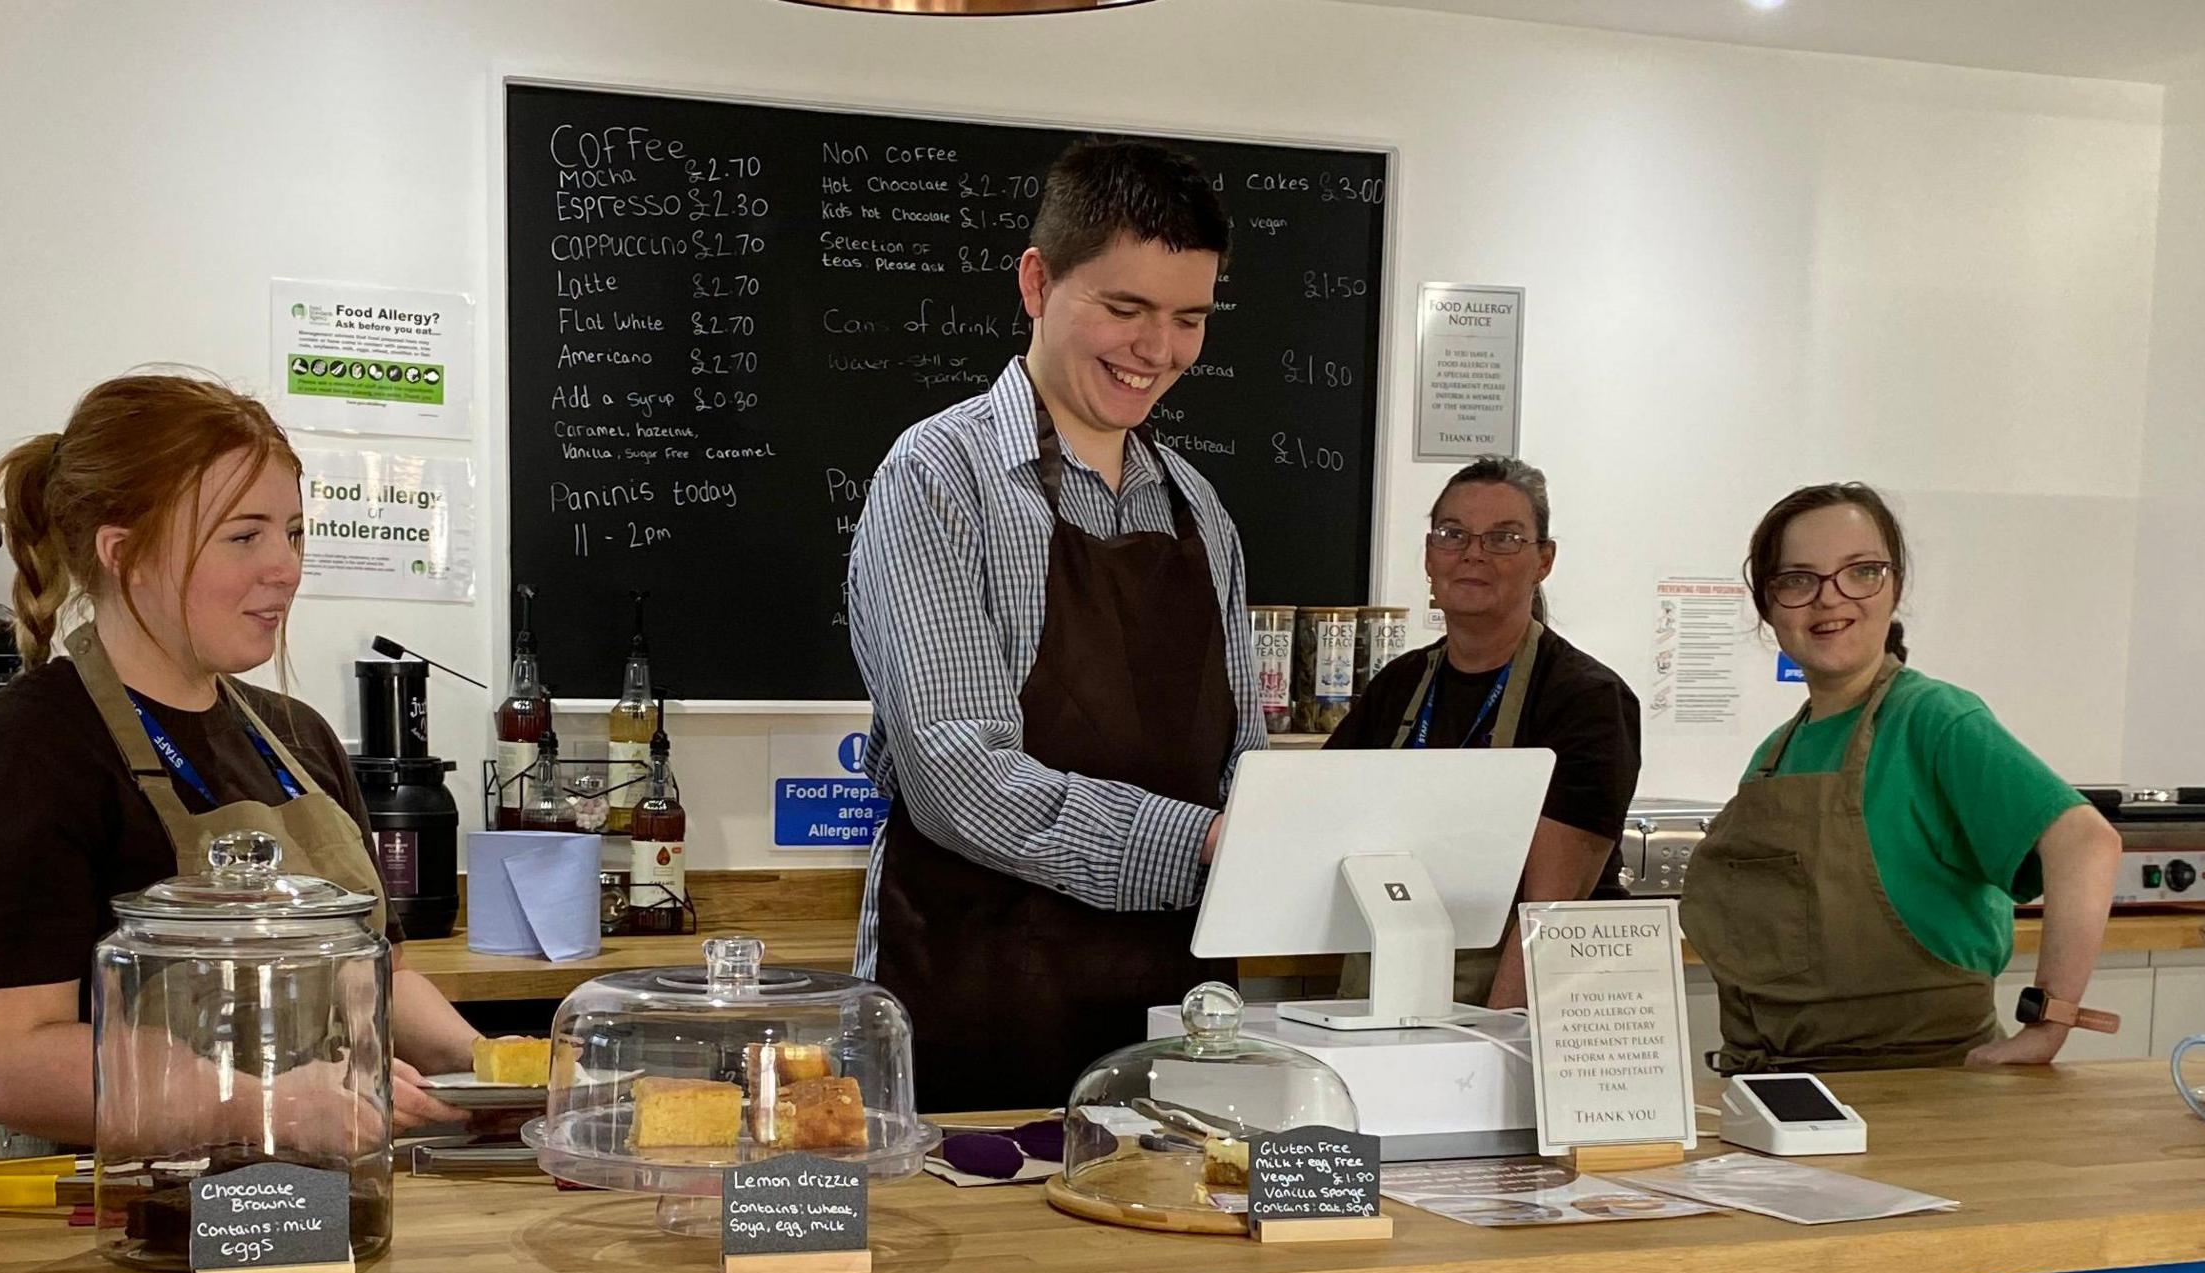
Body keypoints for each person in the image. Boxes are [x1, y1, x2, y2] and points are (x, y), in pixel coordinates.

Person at [0, 371, 476, 1146]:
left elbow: (379, 981)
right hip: (118, 1222)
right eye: (245, 536)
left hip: (331, 1196)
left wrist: (498, 1066)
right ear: (124, 553)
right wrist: (261, 1106)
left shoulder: (300, 741)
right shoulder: (16, 759)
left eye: (295, 532)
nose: (285, 567)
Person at [848, 137, 1261, 1113]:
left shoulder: (1201, 511)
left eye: (1188, 318)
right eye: (1124, 308)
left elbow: (1242, 750)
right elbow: (960, 779)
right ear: (1038, 283)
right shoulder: (936, 480)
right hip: (972, 1003)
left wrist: (1269, 827)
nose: (1157, 350)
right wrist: (1202, 847)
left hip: (1173, 1008)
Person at [1679, 483, 2120, 1071]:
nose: (1830, 600)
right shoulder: (1775, 753)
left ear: (1895, 589)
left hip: (1923, 1088)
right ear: (1768, 607)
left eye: (1860, 572)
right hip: (1785, 1079)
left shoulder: (1933, 718)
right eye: (1798, 580)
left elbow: (2086, 842)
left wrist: (2050, 1023)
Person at [1325, 456, 1643, 1008]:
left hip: (1526, 995)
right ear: (1429, 556)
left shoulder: (1584, 697)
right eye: (1453, 535)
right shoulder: (1398, 685)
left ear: (1544, 560)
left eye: (1504, 538)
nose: (1473, 553)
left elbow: (1550, 913)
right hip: (1392, 984)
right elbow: (1322, 820)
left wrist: (1492, 1042)